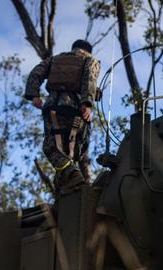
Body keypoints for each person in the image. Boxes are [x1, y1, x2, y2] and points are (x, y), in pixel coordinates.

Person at [25, 39, 101, 195]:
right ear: (88, 50)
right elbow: (90, 78)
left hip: (53, 110)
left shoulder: (55, 59)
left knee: (53, 148)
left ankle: (66, 188)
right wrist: (87, 103)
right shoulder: (89, 59)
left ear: (73, 48)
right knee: (72, 154)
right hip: (76, 111)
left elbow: (36, 72)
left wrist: (34, 95)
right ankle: (73, 178)